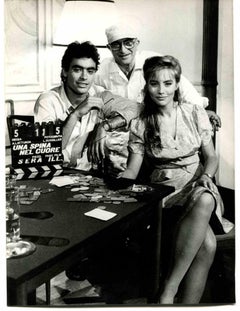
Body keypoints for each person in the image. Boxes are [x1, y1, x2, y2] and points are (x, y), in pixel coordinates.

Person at [119, 55, 226, 304]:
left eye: (168, 83)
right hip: (165, 194)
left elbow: (211, 157)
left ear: (177, 84)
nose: (161, 90)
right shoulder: (141, 122)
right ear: (147, 85)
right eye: (155, 83)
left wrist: (206, 177)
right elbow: (132, 169)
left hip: (199, 182)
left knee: (207, 197)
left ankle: (168, 290)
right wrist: (115, 187)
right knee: (206, 246)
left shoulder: (195, 112)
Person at [90, 23, 221, 173]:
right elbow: (89, 99)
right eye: (116, 45)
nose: (123, 49)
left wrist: (203, 113)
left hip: (151, 140)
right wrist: (100, 128)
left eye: (128, 42)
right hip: (117, 147)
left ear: (137, 42)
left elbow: (182, 89)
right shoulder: (101, 71)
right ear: (108, 48)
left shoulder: (153, 61)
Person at [34, 41, 138, 171]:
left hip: (85, 177)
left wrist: (104, 126)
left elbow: (137, 108)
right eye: (77, 70)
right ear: (65, 72)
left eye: (90, 71)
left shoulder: (99, 94)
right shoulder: (48, 100)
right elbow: (47, 152)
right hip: (52, 172)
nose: (84, 77)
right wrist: (75, 114)